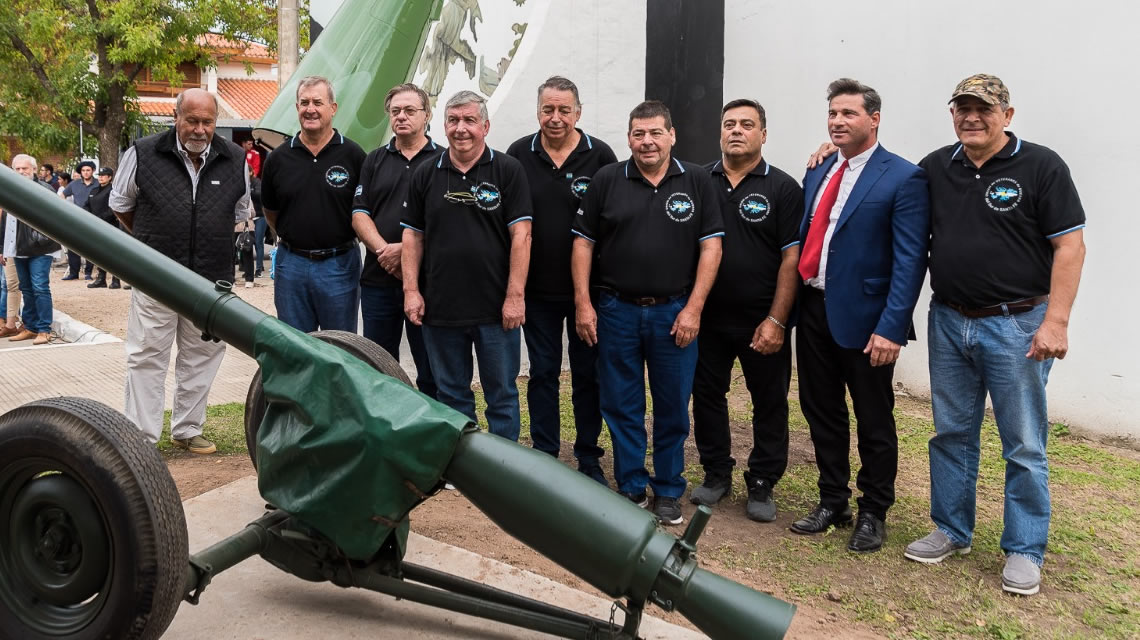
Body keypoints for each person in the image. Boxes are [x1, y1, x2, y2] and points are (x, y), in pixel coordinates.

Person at [902, 74, 1086, 596]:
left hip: (1019, 323)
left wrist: (1057, 321)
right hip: (950, 318)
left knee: (1023, 442)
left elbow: (1070, 247)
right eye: (961, 108)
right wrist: (835, 151)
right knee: (951, 431)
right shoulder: (938, 166)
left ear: (1007, 114)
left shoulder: (1041, 165)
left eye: (983, 108)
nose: (971, 117)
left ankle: (1025, 549)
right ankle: (952, 529)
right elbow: (886, 187)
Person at [790, 78, 930, 553]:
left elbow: (910, 260)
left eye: (848, 113)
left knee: (873, 418)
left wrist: (892, 326)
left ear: (874, 119)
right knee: (820, 409)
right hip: (813, 307)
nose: (837, 121)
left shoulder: (902, 176)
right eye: (832, 113)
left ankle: (873, 510)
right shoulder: (821, 167)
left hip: (868, 319)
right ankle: (833, 499)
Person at [571, 100, 724, 526]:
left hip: (674, 312)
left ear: (672, 135)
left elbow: (711, 246)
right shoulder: (607, 179)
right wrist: (584, 303)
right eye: (638, 134)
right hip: (616, 310)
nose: (647, 141)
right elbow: (582, 243)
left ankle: (670, 488)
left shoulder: (696, 180)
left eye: (656, 132)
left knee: (673, 403)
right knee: (621, 402)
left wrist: (694, 308)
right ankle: (633, 486)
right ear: (629, 138)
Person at [111, 87, 253, 454]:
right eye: (192, 120)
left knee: (202, 354)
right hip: (154, 276)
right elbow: (121, 204)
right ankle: (141, 438)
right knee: (146, 354)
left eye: (208, 122)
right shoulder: (142, 152)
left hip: (210, 279)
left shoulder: (234, 158)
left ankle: (188, 429)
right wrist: (151, 244)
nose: (200, 129)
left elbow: (240, 212)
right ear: (176, 117)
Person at [690, 99, 803, 522]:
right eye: (729, 124)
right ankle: (717, 472)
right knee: (707, 396)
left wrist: (777, 320)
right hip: (707, 318)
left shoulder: (783, 188)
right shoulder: (698, 180)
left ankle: (763, 480)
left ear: (763, 134)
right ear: (720, 132)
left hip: (762, 319)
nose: (737, 131)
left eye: (747, 124)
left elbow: (791, 260)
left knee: (769, 400)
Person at [401, 90, 532, 440]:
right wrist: (411, 291)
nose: (461, 128)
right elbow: (412, 238)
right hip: (441, 310)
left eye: (470, 120)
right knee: (452, 396)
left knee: (502, 395)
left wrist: (515, 296)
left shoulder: (508, 170)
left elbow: (522, 236)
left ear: (485, 126)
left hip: (496, 310)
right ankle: (464, 467)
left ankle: (504, 466)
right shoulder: (427, 173)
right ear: (443, 125)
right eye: (454, 120)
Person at [506, 76, 617, 485]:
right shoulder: (519, 154)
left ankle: (589, 455)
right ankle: (546, 454)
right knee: (543, 373)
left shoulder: (600, 156)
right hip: (537, 292)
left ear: (578, 112)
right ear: (538, 112)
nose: (555, 118)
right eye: (548, 110)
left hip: (588, 293)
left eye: (564, 110)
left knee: (589, 374)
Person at [351, 83, 441, 398]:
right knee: (378, 365)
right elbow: (360, 214)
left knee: (431, 368)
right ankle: (383, 433)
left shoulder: (443, 162)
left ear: (427, 115)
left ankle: (433, 434)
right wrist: (382, 250)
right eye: (395, 111)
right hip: (379, 280)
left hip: (428, 284)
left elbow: (449, 222)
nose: (401, 117)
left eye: (410, 110)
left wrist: (408, 251)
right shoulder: (374, 161)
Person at [261, 76, 366, 332]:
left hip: (339, 264)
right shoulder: (278, 159)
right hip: (292, 265)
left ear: (333, 108)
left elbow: (364, 210)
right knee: (296, 347)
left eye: (318, 102)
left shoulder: (354, 155)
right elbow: (270, 212)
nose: (311, 109)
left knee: (340, 348)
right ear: (296, 107)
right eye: (304, 102)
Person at [3, 154, 61, 345]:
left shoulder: (43, 189)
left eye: (25, 168)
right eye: (17, 168)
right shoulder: (8, 189)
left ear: (34, 170)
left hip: (40, 248)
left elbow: (55, 217)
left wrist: (43, 239)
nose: (21, 172)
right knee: (26, 288)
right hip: (17, 247)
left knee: (40, 287)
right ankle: (30, 327)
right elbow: (5, 220)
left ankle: (44, 329)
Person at [84, 166, 125, 289]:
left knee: (113, 254)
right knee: (99, 253)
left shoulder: (113, 191)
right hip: (95, 226)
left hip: (110, 225)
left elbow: (112, 209)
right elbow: (86, 205)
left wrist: (100, 218)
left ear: (110, 177)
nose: (100, 177)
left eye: (103, 175)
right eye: (99, 175)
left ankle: (115, 279)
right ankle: (101, 278)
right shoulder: (93, 191)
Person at [60, 160, 98, 280]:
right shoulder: (74, 184)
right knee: (73, 245)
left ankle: (88, 273)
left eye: (88, 170)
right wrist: (65, 207)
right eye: (83, 170)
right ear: (80, 172)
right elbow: (63, 195)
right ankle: (73, 272)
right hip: (76, 218)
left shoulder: (98, 184)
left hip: (93, 219)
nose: (86, 173)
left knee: (90, 247)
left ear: (93, 171)